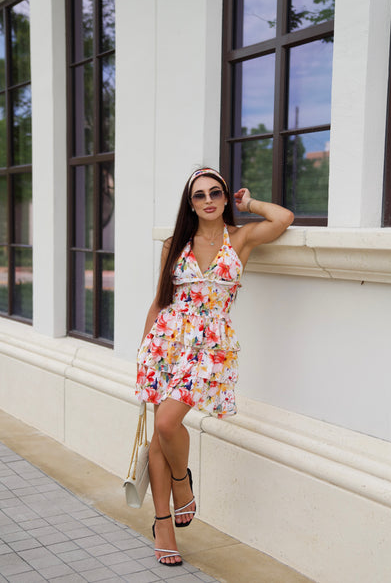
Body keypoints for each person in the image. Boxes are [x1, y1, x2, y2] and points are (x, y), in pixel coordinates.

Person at [135, 168, 294, 566]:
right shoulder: (175, 244)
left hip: (210, 348)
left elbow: (283, 219)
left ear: (224, 198)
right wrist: (143, 350)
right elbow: (160, 300)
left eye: (215, 193)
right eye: (200, 195)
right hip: (166, 344)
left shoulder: (239, 239)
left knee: (168, 425)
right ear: (190, 204)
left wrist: (250, 203)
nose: (208, 200)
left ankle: (181, 480)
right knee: (159, 434)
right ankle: (163, 523)